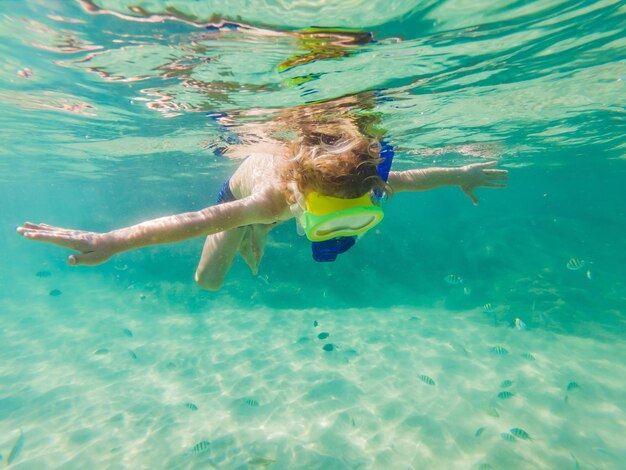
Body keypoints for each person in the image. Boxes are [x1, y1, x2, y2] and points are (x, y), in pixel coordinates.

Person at [17, 96, 507, 290]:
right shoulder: (272, 197)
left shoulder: (367, 185)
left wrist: (461, 172)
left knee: (259, 236)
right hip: (239, 198)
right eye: (329, 217)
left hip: (282, 210)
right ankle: (255, 237)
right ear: (298, 193)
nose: (346, 219)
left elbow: (418, 178)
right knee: (208, 280)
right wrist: (113, 241)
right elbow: (194, 221)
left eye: (357, 212)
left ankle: (259, 239)